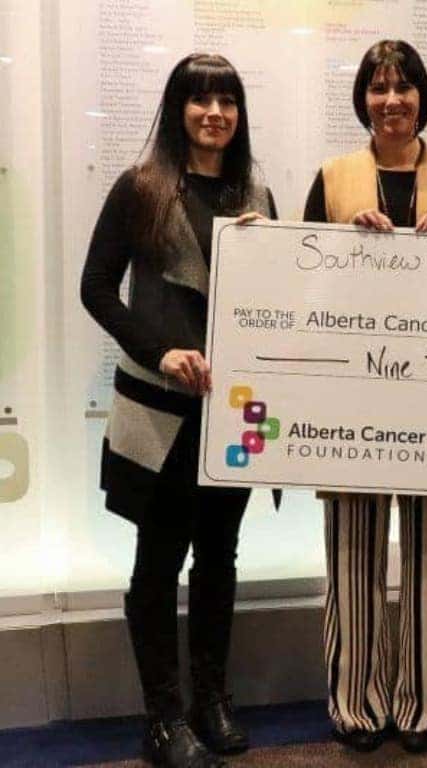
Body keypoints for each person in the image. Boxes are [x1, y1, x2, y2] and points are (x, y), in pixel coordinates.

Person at [80, 54, 276, 767]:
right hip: (160, 410)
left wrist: (268, 251)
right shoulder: (141, 187)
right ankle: (162, 718)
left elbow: (279, 300)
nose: (214, 113)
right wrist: (159, 351)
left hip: (234, 411)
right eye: (200, 100)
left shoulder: (255, 194)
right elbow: (96, 288)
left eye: (227, 100)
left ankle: (211, 700)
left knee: (220, 555)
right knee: (158, 561)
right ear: (177, 109)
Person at [302, 39, 427, 755]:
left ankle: (426, 703)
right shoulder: (332, 178)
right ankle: (355, 705)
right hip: (351, 394)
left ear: (422, 97)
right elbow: (301, 283)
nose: (391, 101)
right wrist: (343, 246)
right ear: (363, 99)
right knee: (351, 554)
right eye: (378, 88)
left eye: (403, 87)